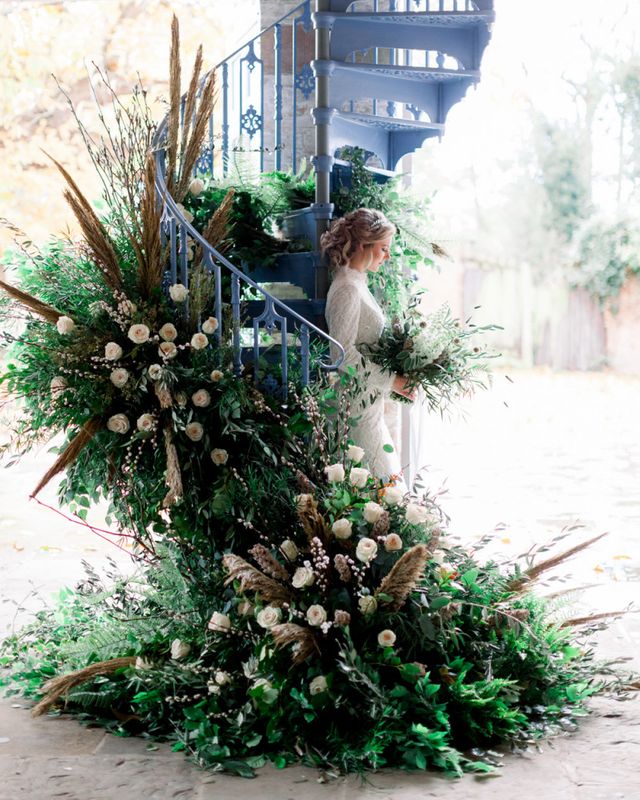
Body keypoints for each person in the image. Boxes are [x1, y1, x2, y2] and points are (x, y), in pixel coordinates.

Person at [321, 208, 415, 483]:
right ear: (363, 245)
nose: (388, 256)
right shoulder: (347, 288)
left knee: (382, 481)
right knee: (377, 481)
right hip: (355, 405)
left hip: (367, 400)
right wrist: (393, 381)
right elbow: (342, 355)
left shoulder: (357, 282)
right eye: (383, 248)